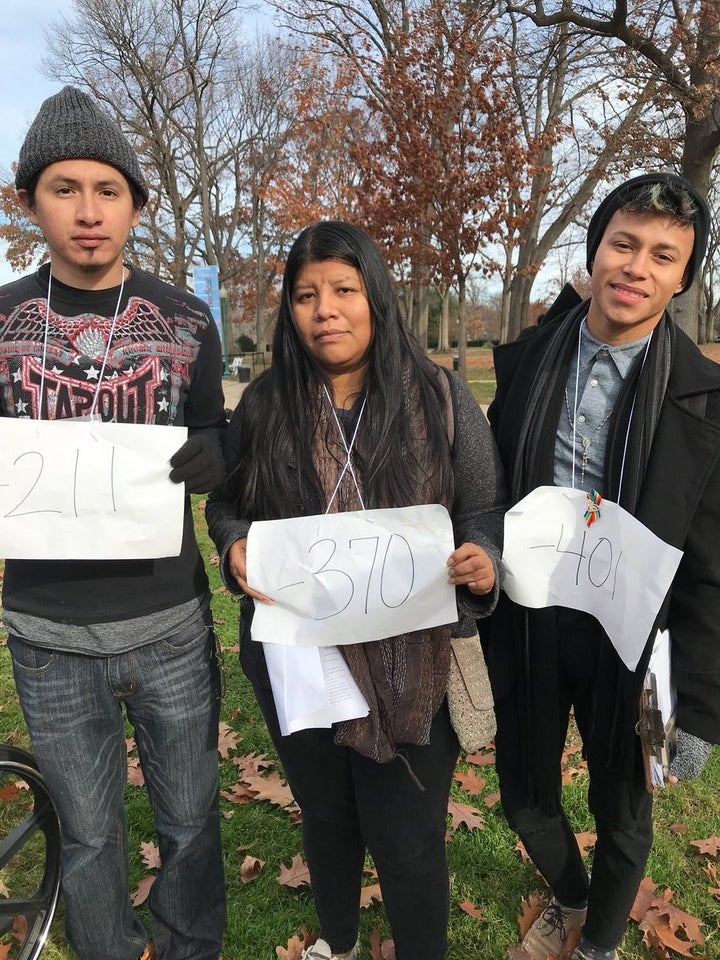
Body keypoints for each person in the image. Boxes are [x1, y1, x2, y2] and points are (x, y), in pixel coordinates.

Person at [206, 221, 506, 960]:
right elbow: (226, 501)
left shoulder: (438, 396)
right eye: (306, 295)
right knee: (329, 817)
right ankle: (337, 942)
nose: (325, 310)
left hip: (415, 660)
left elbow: (482, 506)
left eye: (343, 290)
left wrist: (483, 558)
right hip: (303, 661)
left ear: (376, 296)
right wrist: (234, 543)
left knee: (407, 839)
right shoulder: (267, 402)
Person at [0, 87, 227, 960]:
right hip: (47, 631)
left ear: (135, 202)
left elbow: (214, 430)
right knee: (88, 834)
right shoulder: (4, 322)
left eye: (108, 189)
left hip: (169, 623)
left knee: (191, 822)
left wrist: (216, 453)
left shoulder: (184, 319)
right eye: (65, 188)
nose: (88, 212)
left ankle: (188, 948)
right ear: (30, 199)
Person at [484, 172, 720, 960]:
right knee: (525, 800)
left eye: (663, 255)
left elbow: (712, 569)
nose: (636, 267)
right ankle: (572, 895)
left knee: (623, 810)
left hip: (635, 642)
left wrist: (706, 707)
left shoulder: (703, 402)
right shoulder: (527, 364)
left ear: (683, 277)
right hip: (530, 621)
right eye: (623, 243)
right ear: (597, 250)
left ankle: (600, 942)